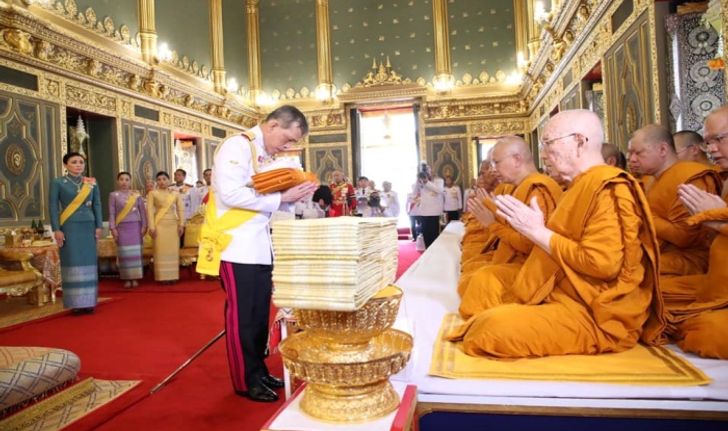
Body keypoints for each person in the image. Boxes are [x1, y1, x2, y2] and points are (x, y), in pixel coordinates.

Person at [447, 109, 665, 358]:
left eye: (549, 143)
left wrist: (537, 232)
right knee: (482, 291)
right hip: (562, 287)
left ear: (579, 142)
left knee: (489, 330)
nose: (544, 154)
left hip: (595, 310)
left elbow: (603, 264)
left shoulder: (608, 187)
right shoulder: (579, 185)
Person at [204, 105, 316, 402]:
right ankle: (245, 379)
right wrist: (282, 197)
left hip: (257, 244)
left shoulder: (263, 153)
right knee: (242, 317)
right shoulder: (237, 146)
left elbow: (265, 197)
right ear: (273, 125)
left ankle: (259, 370)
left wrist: (294, 195)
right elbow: (230, 194)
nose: (289, 146)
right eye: (289, 139)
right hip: (235, 244)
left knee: (257, 316)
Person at [458, 136, 562, 302]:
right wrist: (491, 213)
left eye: (496, 162)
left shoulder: (538, 190)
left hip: (534, 268)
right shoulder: (520, 187)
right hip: (516, 258)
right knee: (470, 275)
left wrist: (491, 223)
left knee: (478, 282)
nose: (493, 169)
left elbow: (530, 245)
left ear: (517, 159)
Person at [663, 105, 728, 359]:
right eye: (708, 141)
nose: (710, 149)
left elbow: (687, 235)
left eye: (718, 140)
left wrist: (719, 223)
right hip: (716, 284)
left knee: (708, 331)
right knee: (649, 297)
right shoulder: (722, 180)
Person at [627, 124, 721, 276]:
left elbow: (684, 237)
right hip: (655, 253)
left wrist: (642, 215)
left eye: (638, 153)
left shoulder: (690, 177)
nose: (632, 159)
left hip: (688, 261)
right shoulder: (650, 180)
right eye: (630, 154)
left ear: (663, 150)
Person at [49, 152, 103, 314]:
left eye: (81, 162)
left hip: (88, 226)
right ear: (66, 165)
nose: (79, 165)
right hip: (69, 227)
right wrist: (56, 229)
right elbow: (52, 206)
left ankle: (89, 301)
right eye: (74, 162)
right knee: (72, 262)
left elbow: (97, 205)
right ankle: (76, 303)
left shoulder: (91, 183)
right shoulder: (58, 182)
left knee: (88, 262)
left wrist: (99, 225)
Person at [108, 172, 147, 288]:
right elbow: (111, 213)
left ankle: (135, 277)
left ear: (130, 181)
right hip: (121, 228)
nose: (124, 182)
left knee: (135, 253)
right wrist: (113, 228)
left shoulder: (136, 195)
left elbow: (143, 212)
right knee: (124, 254)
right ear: (117, 181)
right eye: (121, 179)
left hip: (135, 227)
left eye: (126, 179)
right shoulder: (113, 195)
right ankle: (126, 277)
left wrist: (144, 226)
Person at [146, 171, 184, 283]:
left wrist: (181, 224)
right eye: (159, 179)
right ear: (156, 182)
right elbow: (149, 211)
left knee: (172, 250)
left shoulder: (175, 193)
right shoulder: (152, 193)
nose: (161, 181)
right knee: (160, 251)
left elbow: (180, 209)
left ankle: (173, 276)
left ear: (168, 180)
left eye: (164, 179)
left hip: (172, 225)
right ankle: (162, 277)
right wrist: (151, 227)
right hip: (159, 225)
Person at [413, 164, 444, 248]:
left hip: (434, 212)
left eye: (428, 169)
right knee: (426, 236)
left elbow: (439, 190)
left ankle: (435, 253)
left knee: (434, 235)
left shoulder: (438, 180)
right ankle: (427, 252)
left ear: (432, 171)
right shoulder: (420, 181)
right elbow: (414, 193)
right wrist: (417, 181)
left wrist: (427, 182)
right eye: (425, 170)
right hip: (424, 212)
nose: (427, 171)